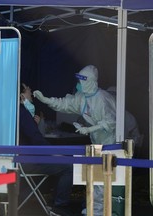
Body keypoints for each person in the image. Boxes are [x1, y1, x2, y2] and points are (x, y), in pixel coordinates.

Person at [33, 65, 116, 216]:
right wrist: (46, 100)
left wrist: (89, 129)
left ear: (91, 81)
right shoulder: (82, 97)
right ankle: (94, 209)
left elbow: (111, 122)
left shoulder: (103, 99)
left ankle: (100, 210)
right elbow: (65, 104)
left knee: (104, 179)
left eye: (83, 80)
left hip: (110, 143)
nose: (79, 84)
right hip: (97, 143)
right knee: (95, 178)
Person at [19, 82, 74, 216]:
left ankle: (53, 202)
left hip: (20, 159)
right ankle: (59, 208)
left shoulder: (16, 112)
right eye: (28, 90)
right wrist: (54, 153)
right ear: (21, 96)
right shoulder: (22, 113)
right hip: (26, 161)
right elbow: (35, 139)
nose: (31, 93)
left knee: (64, 163)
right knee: (70, 166)